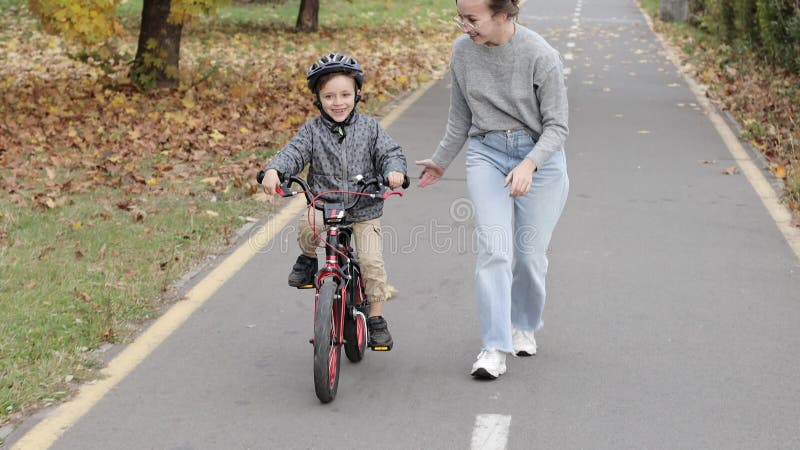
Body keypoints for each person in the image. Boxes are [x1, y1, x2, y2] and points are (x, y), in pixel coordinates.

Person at [416, 0, 569, 379]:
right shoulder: (462, 52)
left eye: (473, 19)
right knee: (494, 250)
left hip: (539, 158)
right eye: (460, 17)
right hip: (487, 154)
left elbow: (557, 127)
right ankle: (494, 346)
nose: (464, 27)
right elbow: (460, 116)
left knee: (530, 256)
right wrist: (440, 161)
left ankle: (523, 324)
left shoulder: (540, 55)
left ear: (502, 15)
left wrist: (529, 164)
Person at [260, 53, 407, 350]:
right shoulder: (312, 131)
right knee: (308, 226)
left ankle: (376, 319)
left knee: (371, 262)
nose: (337, 102)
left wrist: (394, 172)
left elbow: (390, 153)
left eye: (344, 94)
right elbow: (293, 154)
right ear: (318, 98)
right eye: (329, 96)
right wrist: (275, 170)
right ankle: (306, 261)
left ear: (357, 94)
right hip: (324, 204)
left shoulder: (370, 129)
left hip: (364, 207)